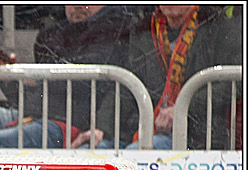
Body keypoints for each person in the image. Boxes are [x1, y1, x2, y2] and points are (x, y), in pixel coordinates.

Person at [0, 5, 143, 149]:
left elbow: (84, 77)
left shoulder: (117, 29)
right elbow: (30, 97)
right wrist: (11, 78)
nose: (76, 6)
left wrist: (36, 76)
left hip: (65, 125)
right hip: (32, 116)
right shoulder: (54, 32)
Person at [91, 4, 243, 150]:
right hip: (141, 131)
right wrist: (100, 129)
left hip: (196, 136)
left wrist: (182, 109)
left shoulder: (218, 26)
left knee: (136, 154)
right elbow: (126, 86)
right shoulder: (144, 30)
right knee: (93, 150)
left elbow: (233, 84)